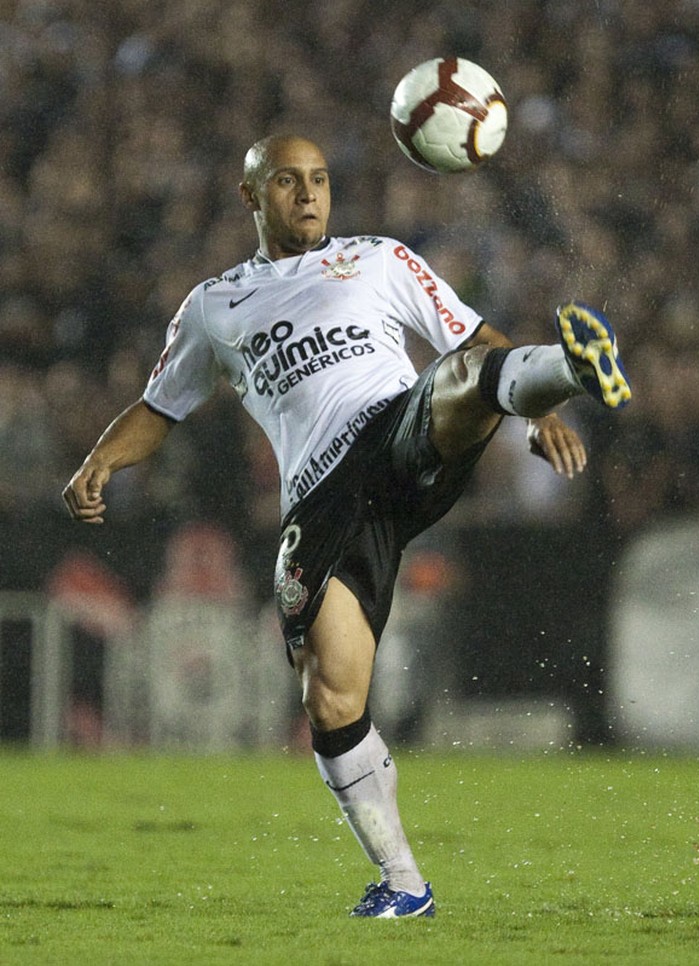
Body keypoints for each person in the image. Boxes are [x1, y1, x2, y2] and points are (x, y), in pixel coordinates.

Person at [62, 134, 631, 918]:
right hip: (326, 500)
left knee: (458, 378)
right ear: (251, 196)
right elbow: (161, 407)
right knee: (331, 698)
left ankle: (571, 366)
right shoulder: (213, 306)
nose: (308, 194)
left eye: (320, 180)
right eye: (289, 181)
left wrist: (540, 407)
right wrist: (99, 461)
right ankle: (405, 885)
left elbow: (475, 342)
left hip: (394, 432)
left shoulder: (380, 259)